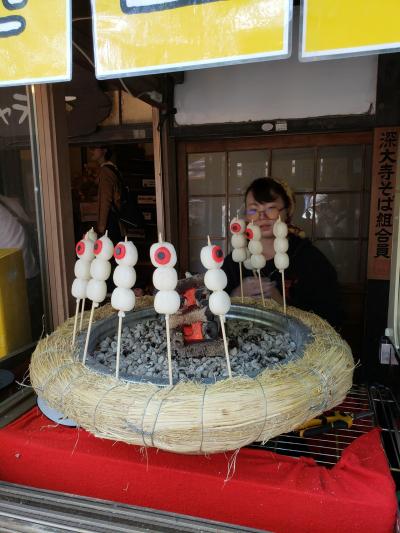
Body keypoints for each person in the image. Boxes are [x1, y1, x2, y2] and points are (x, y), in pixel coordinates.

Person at [222, 177, 343, 329]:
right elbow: (213, 316)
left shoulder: (309, 259)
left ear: (287, 212)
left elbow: (331, 317)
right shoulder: (235, 262)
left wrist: (281, 304)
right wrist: (235, 296)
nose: (262, 217)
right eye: (253, 210)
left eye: (271, 208)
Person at [89, 145, 123, 244]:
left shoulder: (106, 171)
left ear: (104, 150)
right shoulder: (111, 168)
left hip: (109, 219)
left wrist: (101, 226)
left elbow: (105, 199)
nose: (91, 151)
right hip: (114, 216)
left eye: (95, 148)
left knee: (107, 252)